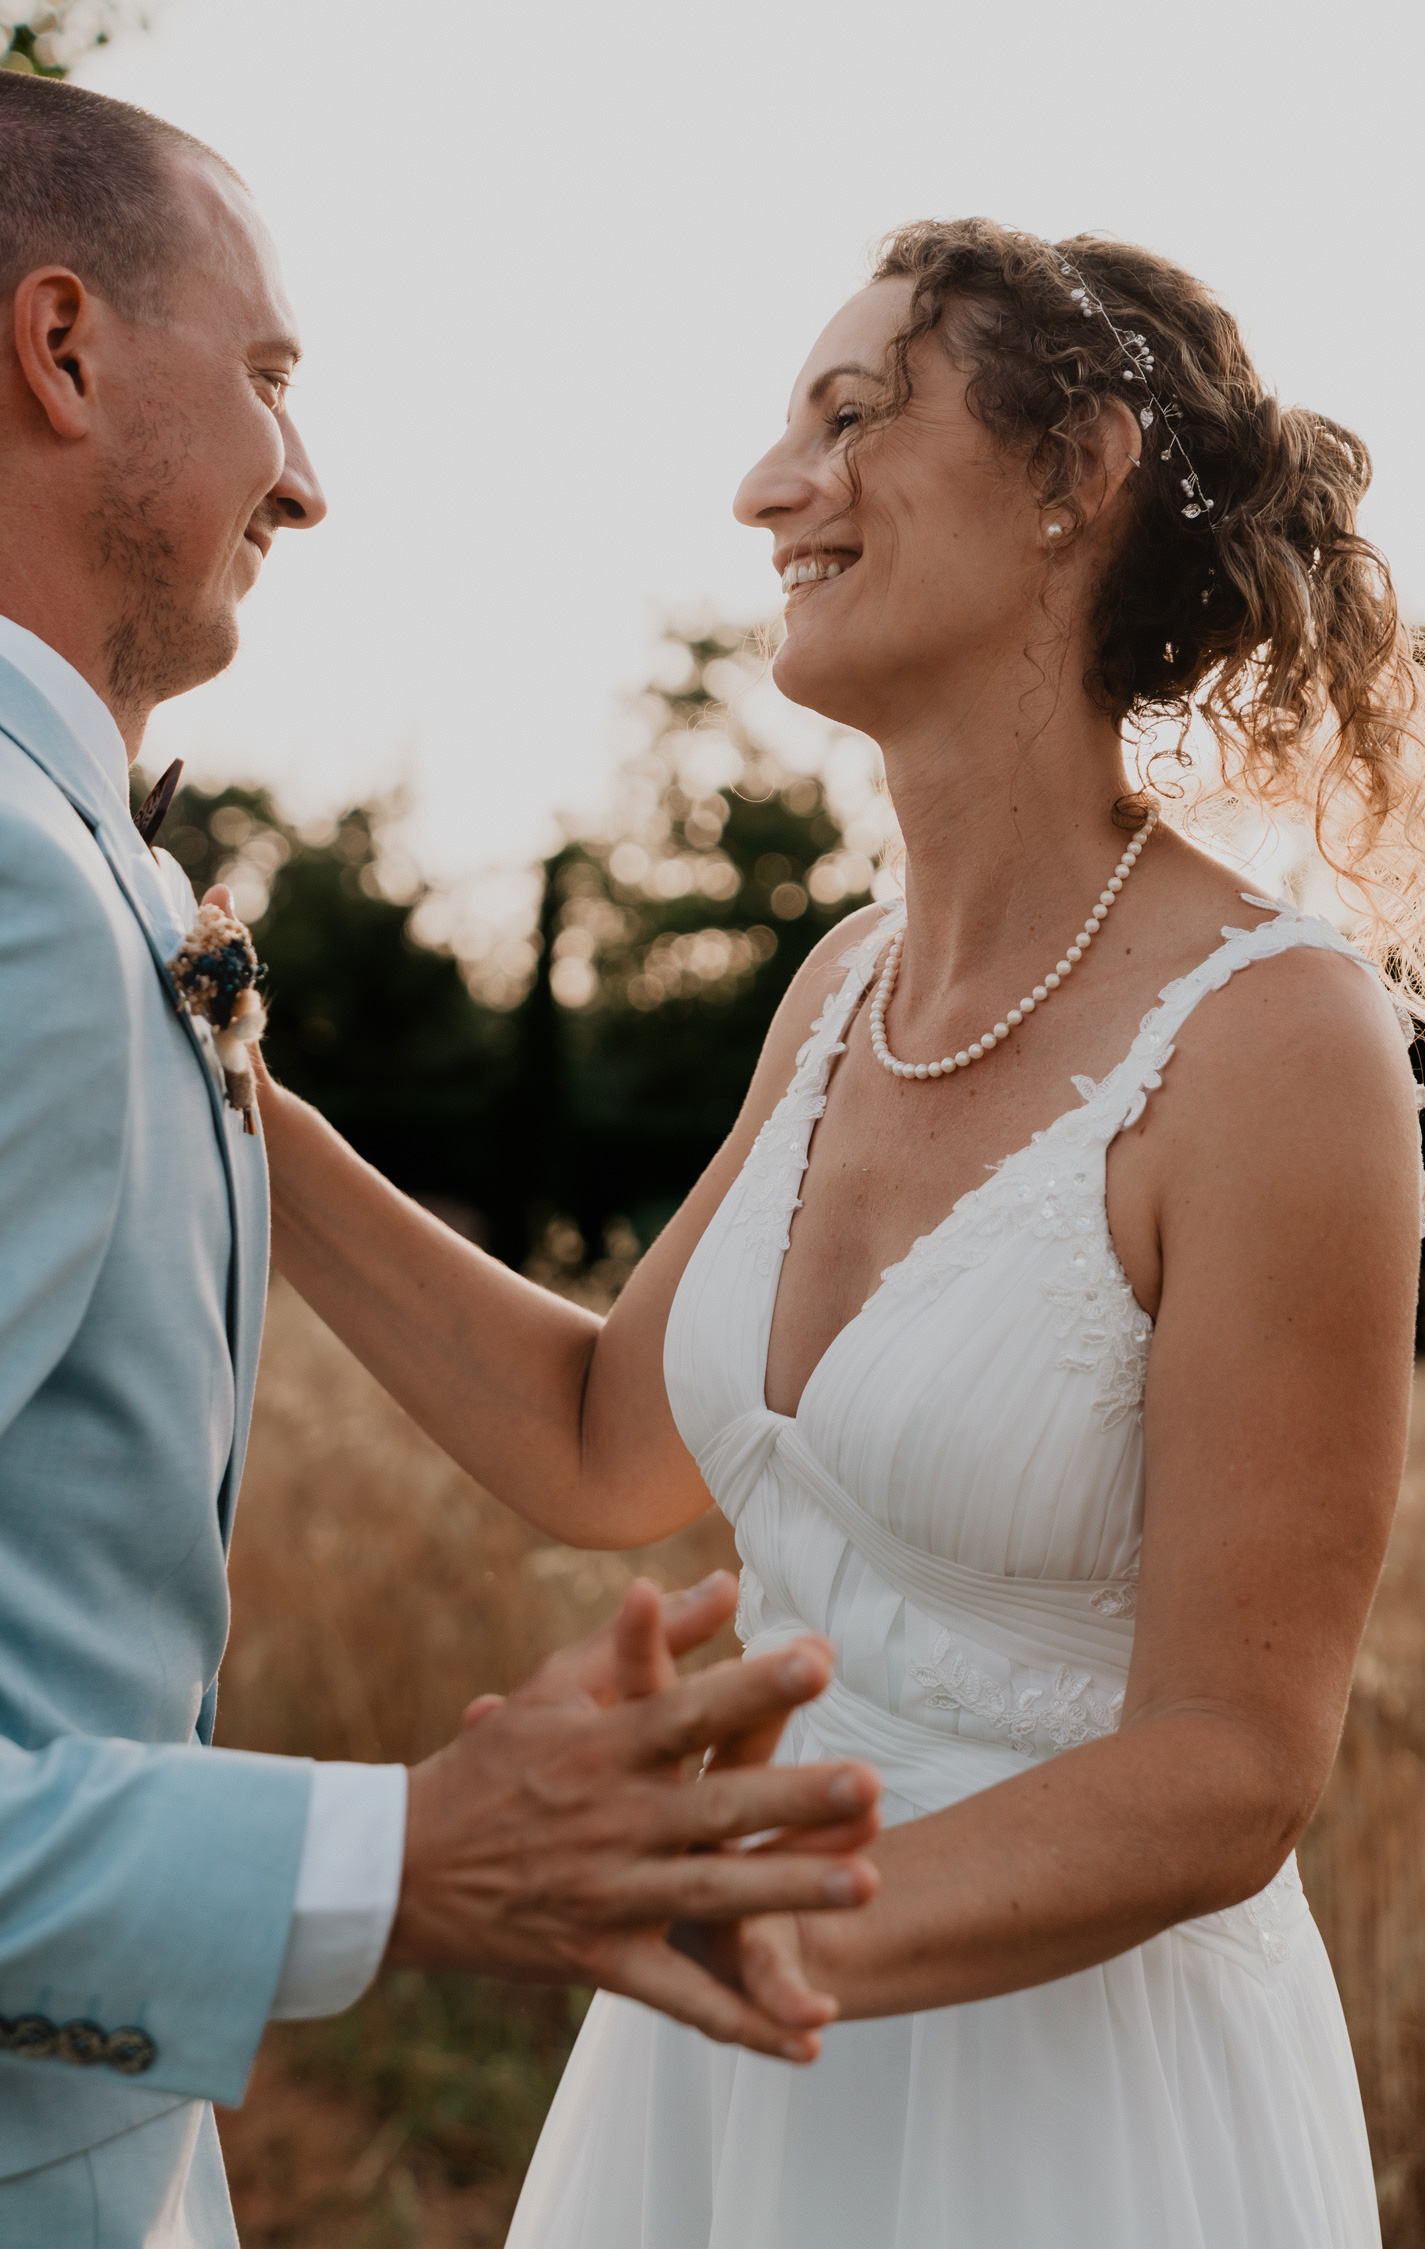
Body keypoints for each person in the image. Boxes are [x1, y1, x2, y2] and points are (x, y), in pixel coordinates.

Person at [259, 216, 1425, 2247]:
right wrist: (242, 1110)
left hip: (1058, 2099)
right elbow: (598, 1444)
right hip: (721, 2063)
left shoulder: (1274, 1042)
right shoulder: (841, 985)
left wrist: (733, 1920)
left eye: (848, 417)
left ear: (1074, 475)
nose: (765, 488)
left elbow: (1233, 1762)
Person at [0, 72, 884, 2248]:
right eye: (275, 376)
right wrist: (396, 1856)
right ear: (65, 348)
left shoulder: (85, 883)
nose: (308, 476)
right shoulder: (23, 892)